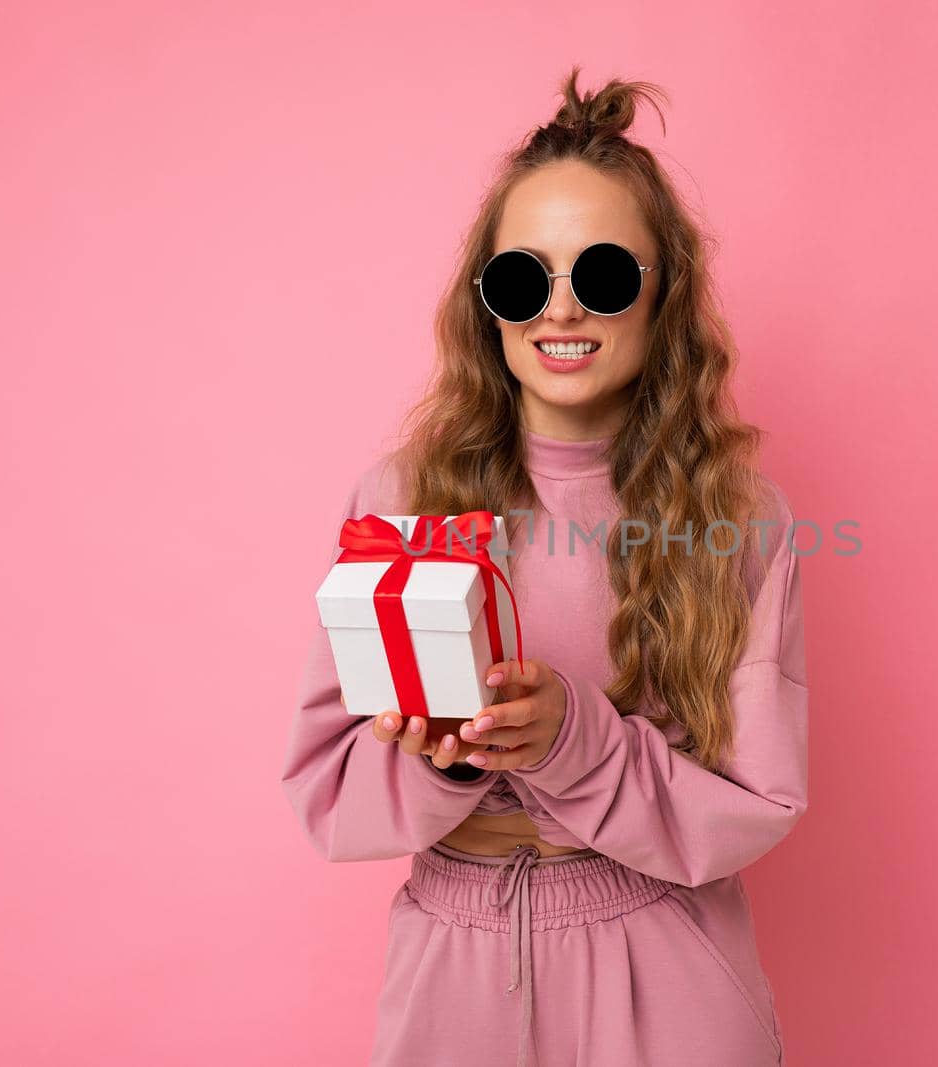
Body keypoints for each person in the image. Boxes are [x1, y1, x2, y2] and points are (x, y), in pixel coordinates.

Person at [279, 67, 808, 1067]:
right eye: (524, 278)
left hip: (667, 962)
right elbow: (327, 787)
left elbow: (758, 802)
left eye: (603, 275)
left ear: (664, 295)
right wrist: (450, 749)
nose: (561, 312)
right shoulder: (401, 496)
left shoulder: (740, 519)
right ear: (487, 304)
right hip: (454, 972)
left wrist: (572, 736)